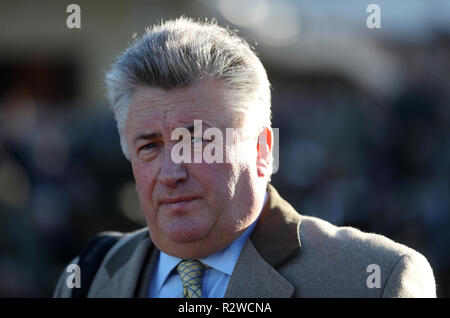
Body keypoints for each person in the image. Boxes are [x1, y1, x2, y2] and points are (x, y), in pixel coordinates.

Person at [53, 17, 436, 298]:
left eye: (200, 141)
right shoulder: (89, 275)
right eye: (150, 146)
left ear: (262, 150)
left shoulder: (374, 279)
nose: (171, 172)